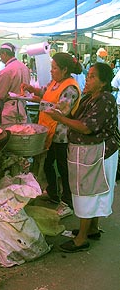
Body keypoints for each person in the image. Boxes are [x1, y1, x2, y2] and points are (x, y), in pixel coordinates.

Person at [45, 62, 118, 252]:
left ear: (103, 83)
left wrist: (60, 119)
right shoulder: (89, 97)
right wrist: (61, 111)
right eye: (89, 75)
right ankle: (92, 228)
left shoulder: (105, 99)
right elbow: (77, 117)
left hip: (97, 153)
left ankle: (81, 239)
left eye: (93, 76)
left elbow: (86, 127)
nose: (88, 78)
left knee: (88, 192)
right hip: (86, 153)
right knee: (92, 191)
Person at [21, 52, 82, 218]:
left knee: (63, 169)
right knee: (48, 163)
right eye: (51, 67)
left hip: (62, 135)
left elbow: (62, 109)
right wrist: (31, 89)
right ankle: (53, 193)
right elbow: (45, 91)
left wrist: (35, 101)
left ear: (64, 70)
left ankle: (68, 202)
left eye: (54, 68)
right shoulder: (56, 82)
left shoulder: (70, 87)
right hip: (49, 131)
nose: (51, 71)